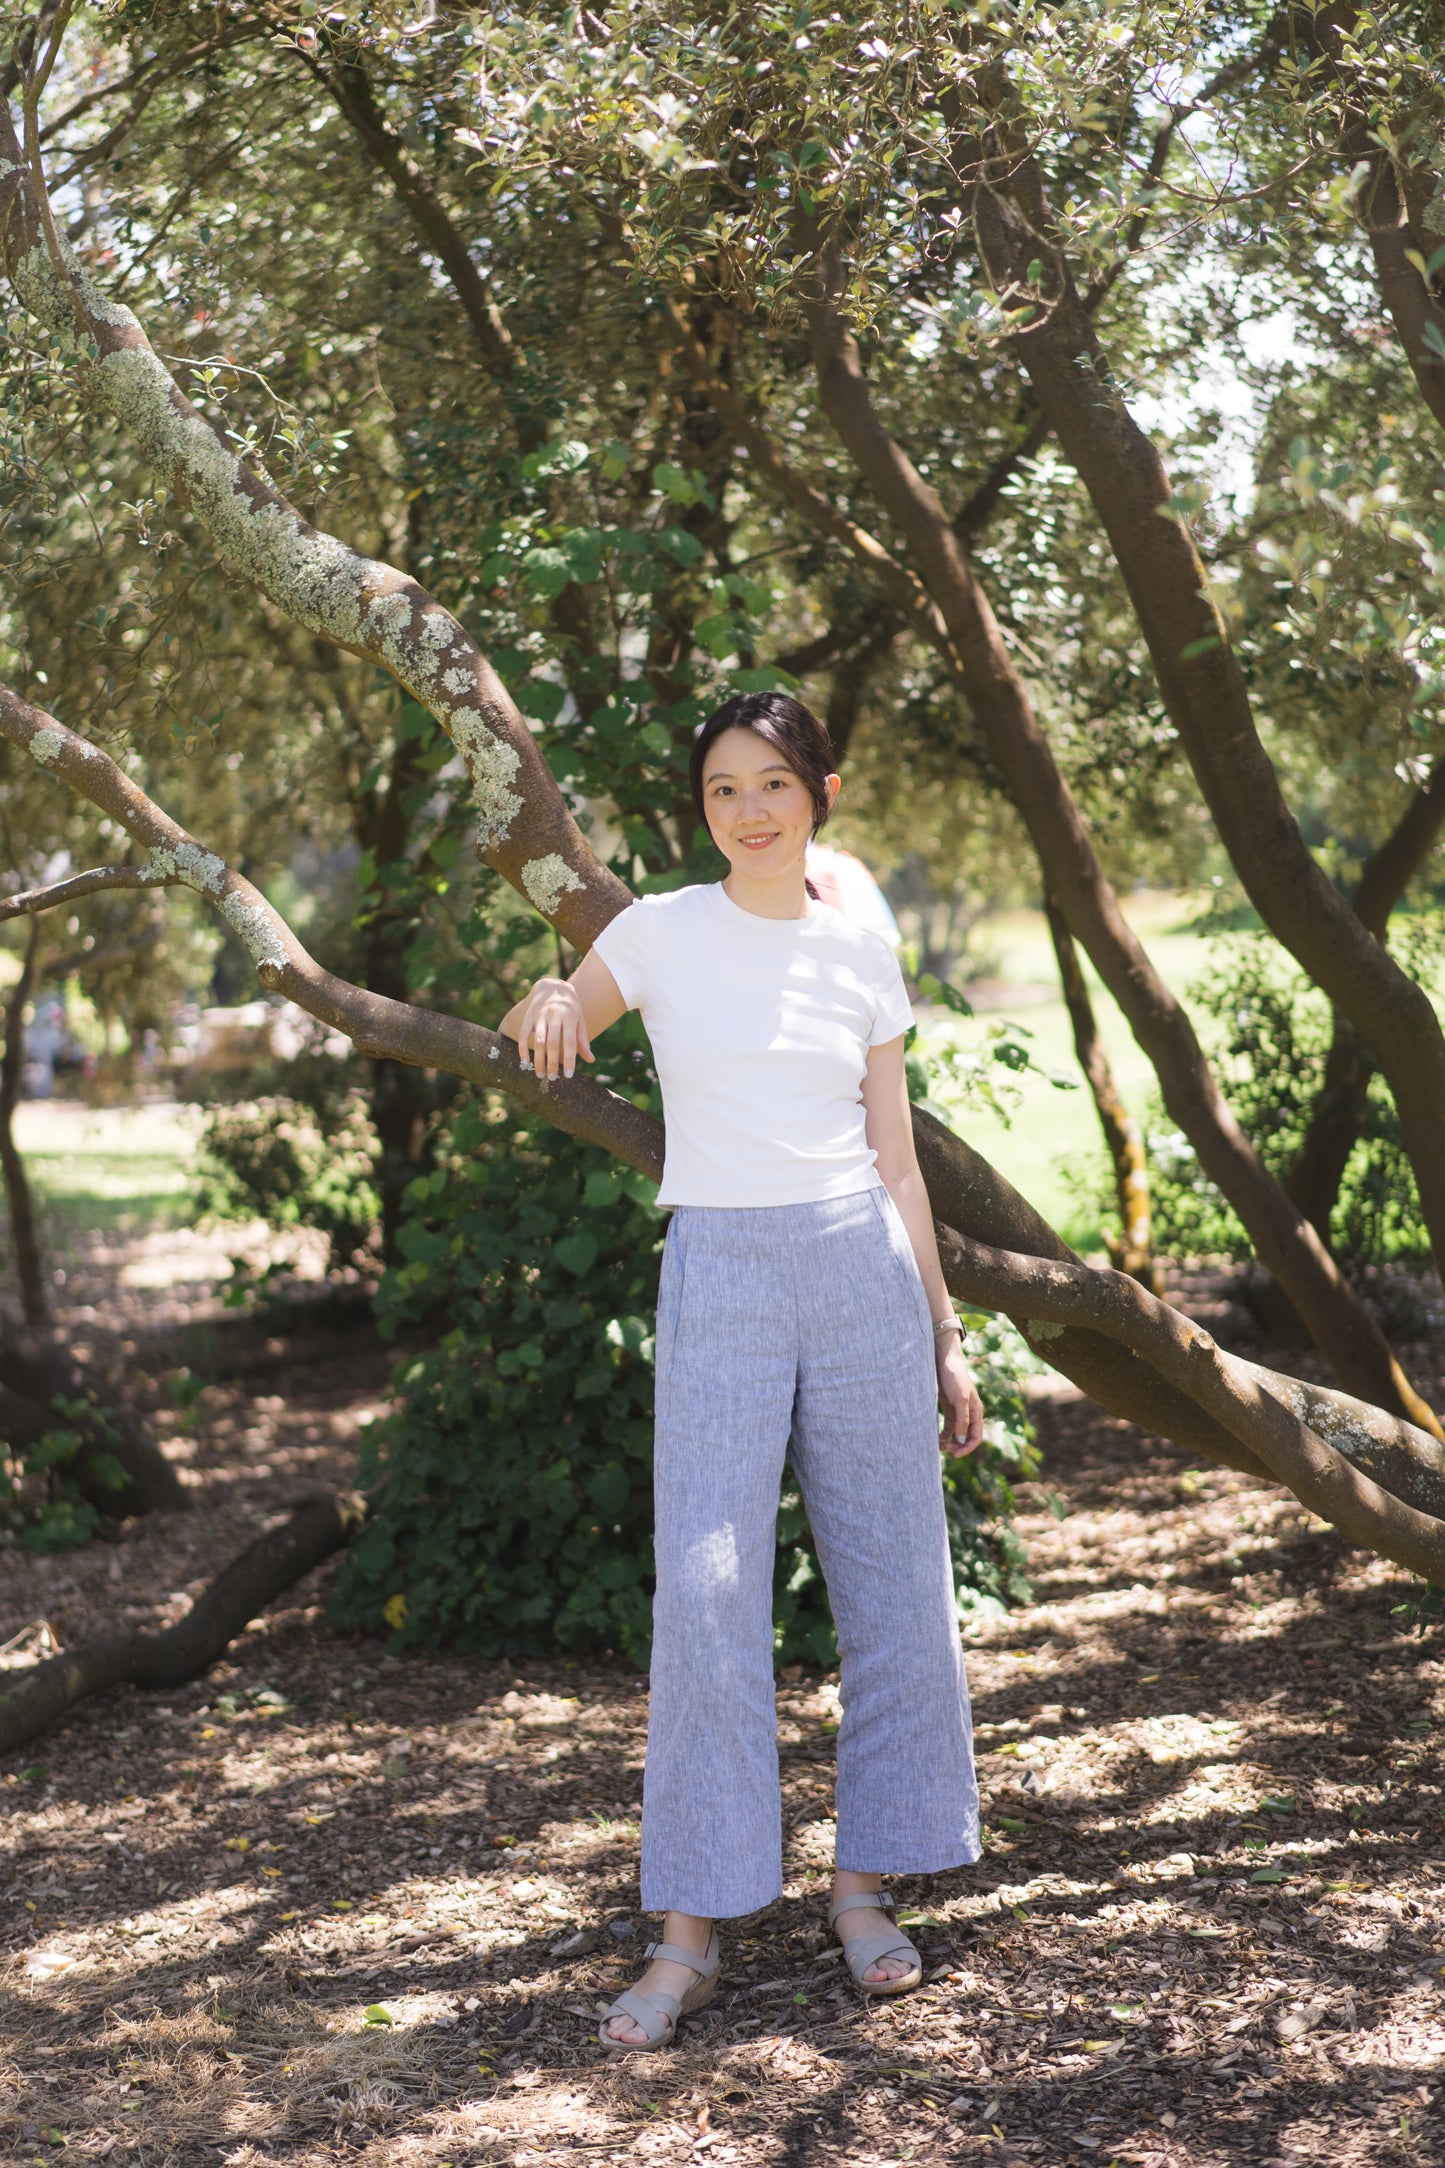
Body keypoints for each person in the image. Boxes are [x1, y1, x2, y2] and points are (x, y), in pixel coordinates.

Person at [501, 691, 983, 2054]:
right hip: (717, 1266)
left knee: (895, 1585)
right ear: (699, 809)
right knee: (707, 1602)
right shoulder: (659, 929)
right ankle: (689, 1935)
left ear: (817, 790)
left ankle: (862, 1891)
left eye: (774, 783)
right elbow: (565, 1010)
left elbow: (896, 1161)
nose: (752, 810)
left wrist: (945, 1337)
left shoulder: (860, 949)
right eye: (724, 790)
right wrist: (548, 996)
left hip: (860, 1275)